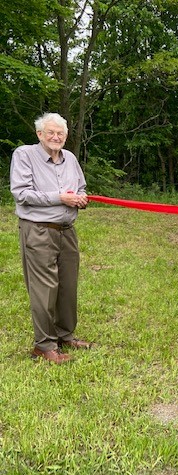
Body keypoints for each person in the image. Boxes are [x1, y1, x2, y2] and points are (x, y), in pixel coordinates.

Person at [10, 112, 93, 364]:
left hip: (67, 230)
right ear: (40, 134)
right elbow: (21, 193)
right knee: (44, 288)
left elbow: (81, 187)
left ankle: (65, 335)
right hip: (38, 230)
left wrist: (80, 198)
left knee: (68, 286)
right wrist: (61, 197)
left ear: (66, 136)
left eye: (61, 133)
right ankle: (44, 346)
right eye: (51, 133)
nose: (56, 137)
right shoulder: (24, 155)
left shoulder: (70, 158)